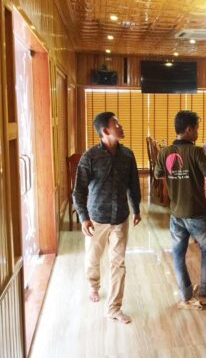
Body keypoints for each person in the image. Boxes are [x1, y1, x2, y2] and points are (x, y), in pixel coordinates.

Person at [73, 111, 141, 324]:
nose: (120, 126)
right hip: (96, 218)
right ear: (105, 130)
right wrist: (84, 218)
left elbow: (133, 185)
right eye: (116, 123)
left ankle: (114, 307)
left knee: (118, 264)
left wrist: (136, 209)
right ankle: (93, 285)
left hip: (120, 217)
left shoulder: (128, 155)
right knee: (92, 259)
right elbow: (79, 191)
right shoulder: (90, 157)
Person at [154, 110, 206, 310]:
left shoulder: (164, 152)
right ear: (189, 129)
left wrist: (175, 176)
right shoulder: (196, 152)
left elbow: (158, 174)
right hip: (198, 212)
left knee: (178, 255)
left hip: (176, 214)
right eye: (196, 129)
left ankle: (185, 294)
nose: (197, 133)